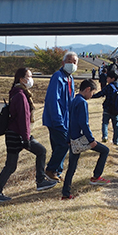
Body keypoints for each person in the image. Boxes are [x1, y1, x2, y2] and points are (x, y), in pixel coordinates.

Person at [0, 68, 58, 202]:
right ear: (21, 79)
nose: (31, 79)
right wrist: (26, 138)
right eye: (29, 76)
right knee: (41, 152)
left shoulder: (16, 92)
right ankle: (40, 181)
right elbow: (23, 118)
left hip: (13, 134)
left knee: (11, 165)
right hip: (18, 134)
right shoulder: (21, 95)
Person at [62, 80, 110, 199]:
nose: (92, 96)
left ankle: (66, 193)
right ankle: (96, 177)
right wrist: (91, 140)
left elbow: (69, 121)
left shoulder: (73, 100)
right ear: (87, 89)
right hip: (81, 138)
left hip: (73, 138)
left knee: (72, 167)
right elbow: (84, 123)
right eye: (92, 93)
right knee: (104, 150)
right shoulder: (82, 102)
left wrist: (68, 138)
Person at [43, 51, 78, 182]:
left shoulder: (70, 79)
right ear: (63, 62)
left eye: (74, 62)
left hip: (66, 119)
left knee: (59, 146)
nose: (72, 64)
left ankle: (57, 171)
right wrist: (57, 120)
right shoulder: (58, 76)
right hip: (56, 119)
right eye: (69, 61)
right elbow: (52, 100)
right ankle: (50, 169)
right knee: (64, 145)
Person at [91, 70, 118, 145]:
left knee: (105, 123)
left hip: (107, 107)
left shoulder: (109, 87)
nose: (107, 79)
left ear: (112, 78)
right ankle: (116, 140)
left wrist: (91, 96)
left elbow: (101, 93)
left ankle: (105, 136)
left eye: (108, 78)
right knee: (116, 125)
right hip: (116, 108)